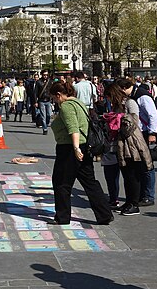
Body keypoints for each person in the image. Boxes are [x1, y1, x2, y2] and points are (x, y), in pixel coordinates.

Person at [48, 81, 113, 226]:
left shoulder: (66, 106)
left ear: (59, 95)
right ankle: (104, 214)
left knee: (61, 182)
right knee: (89, 181)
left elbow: (73, 128)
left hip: (69, 149)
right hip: (84, 146)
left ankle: (63, 217)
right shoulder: (79, 103)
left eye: (54, 98)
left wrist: (76, 148)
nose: (54, 101)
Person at [103, 83, 153, 216]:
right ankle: (129, 202)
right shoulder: (117, 105)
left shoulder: (130, 103)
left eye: (108, 96)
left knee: (132, 174)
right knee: (126, 174)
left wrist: (118, 120)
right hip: (120, 143)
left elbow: (133, 123)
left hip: (131, 143)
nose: (108, 100)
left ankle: (134, 204)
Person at [116, 77, 157, 207]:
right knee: (141, 165)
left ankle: (148, 195)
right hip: (139, 132)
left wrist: (152, 133)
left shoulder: (142, 95)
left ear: (123, 88)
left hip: (146, 132)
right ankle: (142, 194)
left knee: (148, 165)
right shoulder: (133, 96)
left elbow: (152, 114)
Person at [34, 70, 53, 134]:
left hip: (48, 100)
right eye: (44, 75)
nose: (45, 76)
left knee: (48, 115)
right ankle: (45, 128)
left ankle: (46, 124)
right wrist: (35, 101)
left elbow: (51, 91)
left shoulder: (50, 82)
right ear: (42, 75)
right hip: (41, 100)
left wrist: (52, 99)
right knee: (43, 115)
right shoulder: (38, 82)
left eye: (47, 75)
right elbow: (35, 92)